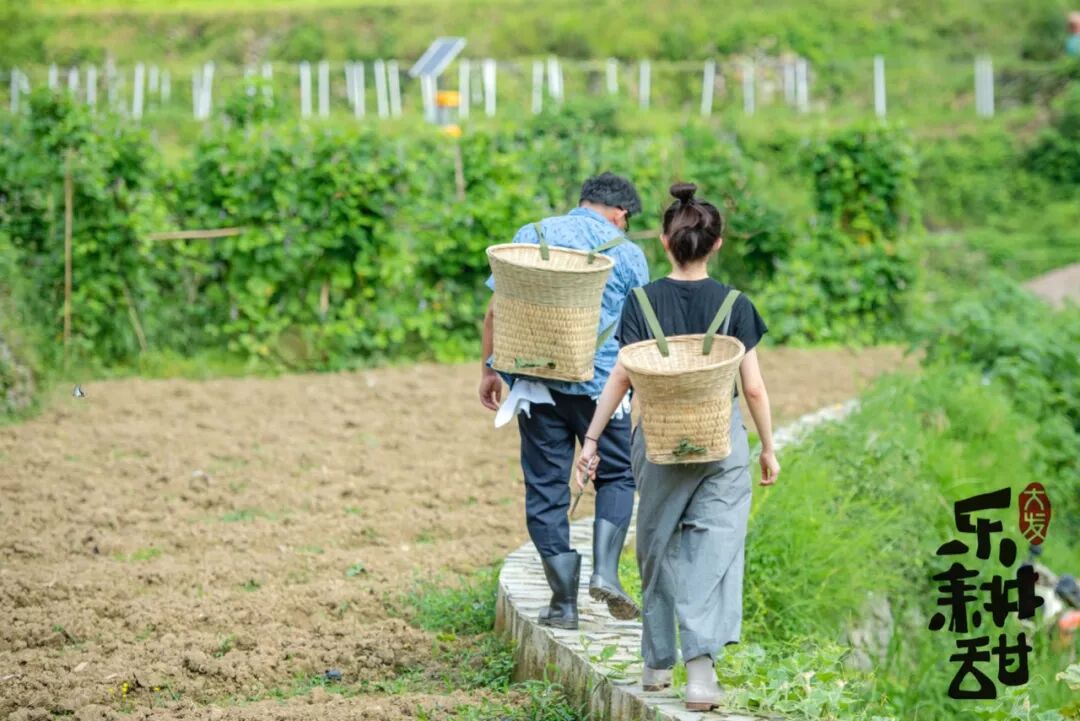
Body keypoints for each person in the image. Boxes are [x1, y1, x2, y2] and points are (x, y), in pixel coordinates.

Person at [575, 182, 780, 711]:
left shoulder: (641, 303)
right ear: (716, 244)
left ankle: (654, 662)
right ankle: (700, 675)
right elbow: (753, 387)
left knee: (657, 546)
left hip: (660, 444)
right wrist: (767, 448)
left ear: (665, 242)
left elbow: (620, 379)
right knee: (710, 554)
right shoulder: (736, 305)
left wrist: (592, 440)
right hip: (721, 448)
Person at [479, 172, 650, 629]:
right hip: (603, 389)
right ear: (621, 213)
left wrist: (490, 369)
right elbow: (641, 331)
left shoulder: (530, 236)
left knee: (546, 488)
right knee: (616, 474)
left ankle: (564, 605)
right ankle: (606, 572)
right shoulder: (628, 254)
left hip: (536, 384)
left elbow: (497, 309)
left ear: (583, 201)